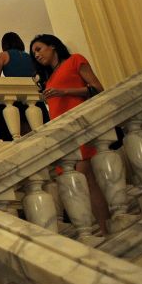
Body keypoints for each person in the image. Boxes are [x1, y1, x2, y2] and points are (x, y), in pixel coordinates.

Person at [30, 34, 110, 235]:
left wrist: (64, 92)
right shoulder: (48, 79)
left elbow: (98, 89)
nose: (37, 55)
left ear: (53, 46)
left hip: (80, 127)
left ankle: (103, 225)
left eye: (39, 49)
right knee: (76, 181)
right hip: (63, 134)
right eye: (34, 54)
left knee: (84, 176)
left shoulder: (75, 60)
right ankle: (96, 225)